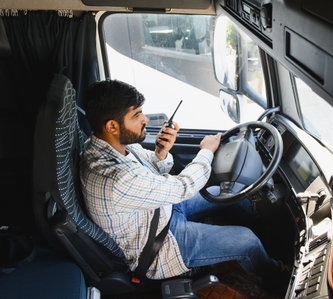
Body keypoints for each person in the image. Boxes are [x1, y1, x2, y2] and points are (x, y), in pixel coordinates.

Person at [79, 80, 281, 283]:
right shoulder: (116, 178)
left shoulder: (105, 145)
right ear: (112, 126)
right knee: (246, 241)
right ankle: (275, 278)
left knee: (230, 192)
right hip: (159, 244)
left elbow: (149, 175)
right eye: (137, 115)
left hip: (158, 211)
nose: (145, 119)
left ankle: (267, 235)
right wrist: (206, 152)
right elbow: (184, 187)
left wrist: (160, 153)